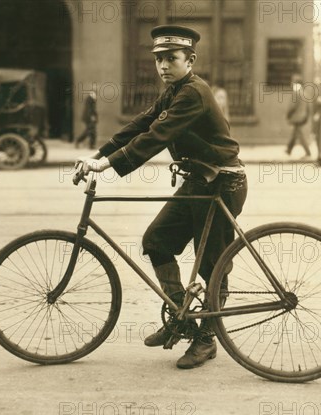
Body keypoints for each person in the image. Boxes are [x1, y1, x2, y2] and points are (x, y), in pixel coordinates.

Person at [75, 25, 248, 369]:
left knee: (212, 267)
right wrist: (98, 156)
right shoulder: (175, 92)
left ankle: (206, 338)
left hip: (221, 183)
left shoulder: (193, 93)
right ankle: (182, 318)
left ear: (190, 60)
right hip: (199, 181)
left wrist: (108, 164)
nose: (163, 66)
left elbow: (156, 136)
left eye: (171, 58)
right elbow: (141, 124)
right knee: (156, 240)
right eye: (159, 59)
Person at [285, 74, 311, 158]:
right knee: (295, 132)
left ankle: (308, 153)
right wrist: (306, 115)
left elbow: (292, 106)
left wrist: (288, 114)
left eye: (293, 81)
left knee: (299, 134)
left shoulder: (296, 92)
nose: (291, 83)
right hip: (303, 116)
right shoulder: (304, 92)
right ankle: (289, 149)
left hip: (297, 117)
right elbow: (308, 107)